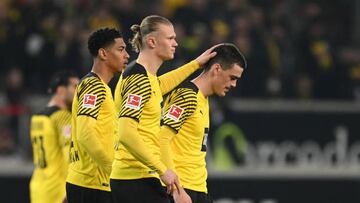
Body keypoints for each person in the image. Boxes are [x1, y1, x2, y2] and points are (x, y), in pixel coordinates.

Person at [110, 15, 218, 203]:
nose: (176, 43)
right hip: (136, 178)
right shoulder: (138, 79)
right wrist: (163, 170)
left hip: (138, 177)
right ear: (152, 41)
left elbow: (160, 85)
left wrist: (196, 64)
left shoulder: (145, 77)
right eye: (170, 38)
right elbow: (125, 132)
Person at [159, 43, 247, 203]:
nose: (234, 84)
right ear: (217, 69)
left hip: (197, 189)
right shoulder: (186, 96)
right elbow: (162, 139)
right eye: (232, 78)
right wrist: (176, 189)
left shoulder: (203, 99)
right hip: (182, 190)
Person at [66, 27, 129, 203]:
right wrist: (114, 171)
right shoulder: (94, 86)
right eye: (121, 49)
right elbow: (85, 134)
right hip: (92, 184)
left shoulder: (99, 87)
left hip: (91, 182)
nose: (127, 55)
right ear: (103, 53)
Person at [29, 71, 79, 203]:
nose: (79, 92)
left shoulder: (36, 117)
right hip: (58, 191)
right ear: (61, 90)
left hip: (38, 188)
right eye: (75, 87)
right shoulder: (62, 117)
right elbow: (70, 155)